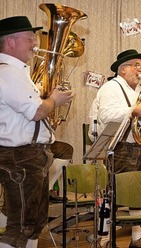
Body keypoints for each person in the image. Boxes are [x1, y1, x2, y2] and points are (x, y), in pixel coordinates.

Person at [0, 16, 73, 248]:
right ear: (10, 42)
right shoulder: (9, 73)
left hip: (26, 156)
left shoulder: (16, 72)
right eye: (30, 37)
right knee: (21, 227)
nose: (35, 42)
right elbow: (37, 112)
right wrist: (54, 99)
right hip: (21, 157)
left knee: (33, 225)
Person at [93, 49, 141, 247]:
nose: (140, 70)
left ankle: (137, 239)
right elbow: (107, 116)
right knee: (115, 194)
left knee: (139, 195)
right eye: (136, 65)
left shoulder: (140, 90)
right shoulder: (111, 88)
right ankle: (104, 238)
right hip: (121, 148)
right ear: (123, 69)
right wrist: (133, 111)